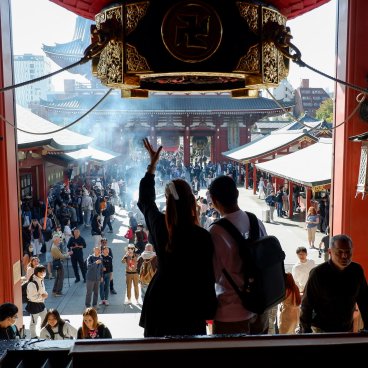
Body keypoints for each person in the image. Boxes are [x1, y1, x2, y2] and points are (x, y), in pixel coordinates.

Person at [137, 138, 217, 337]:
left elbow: (145, 201)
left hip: (160, 299)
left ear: (168, 201)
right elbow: (208, 276)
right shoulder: (203, 236)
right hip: (190, 303)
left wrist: (152, 167)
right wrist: (209, 310)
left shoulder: (160, 226)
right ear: (192, 201)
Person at [208, 175, 268, 335]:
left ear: (214, 200)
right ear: (237, 194)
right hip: (259, 306)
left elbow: (211, 274)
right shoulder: (256, 221)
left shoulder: (215, 231)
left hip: (230, 313)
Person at [300, 234, 368, 333]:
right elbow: (307, 305)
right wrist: (306, 332)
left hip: (346, 328)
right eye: (339, 252)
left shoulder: (356, 270)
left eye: (348, 252)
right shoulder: (318, 273)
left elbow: (364, 300)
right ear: (330, 252)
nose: (344, 256)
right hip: (321, 329)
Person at [26, 265, 48, 338]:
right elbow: (32, 297)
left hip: (41, 304)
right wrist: (42, 297)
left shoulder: (41, 279)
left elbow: (43, 291)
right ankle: (33, 336)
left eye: (44, 272)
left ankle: (44, 334)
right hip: (34, 305)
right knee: (34, 322)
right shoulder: (32, 283)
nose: (44, 273)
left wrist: (45, 294)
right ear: (37, 273)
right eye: (42, 272)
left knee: (45, 319)